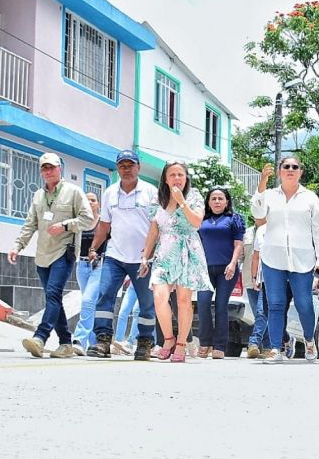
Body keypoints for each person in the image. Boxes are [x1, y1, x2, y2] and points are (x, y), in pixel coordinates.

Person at [9, 152, 94, 358]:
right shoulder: (38, 195)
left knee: (53, 294)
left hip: (64, 253)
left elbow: (88, 219)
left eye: (51, 167)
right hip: (42, 254)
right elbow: (30, 224)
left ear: (59, 169)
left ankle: (40, 336)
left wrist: (65, 226)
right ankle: (65, 343)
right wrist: (17, 246)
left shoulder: (73, 192)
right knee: (52, 298)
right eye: (44, 168)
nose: (48, 171)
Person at [250, 158, 319, 362]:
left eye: (295, 167)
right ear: (279, 172)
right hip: (273, 258)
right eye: (286, 167)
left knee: (304, 303)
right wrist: (261, 185)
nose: (291, 170)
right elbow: (257, 213)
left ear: (300, 172)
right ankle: (276, 348)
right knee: (275, 303)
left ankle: (309, 341)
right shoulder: (269, 195)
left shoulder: (310, 198)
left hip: (302, 258)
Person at [86, 150, 158, 361]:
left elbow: (156, 226)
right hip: (114, 256)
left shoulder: (150, 192)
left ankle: (144, 343)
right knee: (105, 296)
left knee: (146, 303)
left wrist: (149, 252)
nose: (126, 170)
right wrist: (93, 248)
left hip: (143, 259)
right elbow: (104, 225)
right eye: (122, 166)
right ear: (117, 168)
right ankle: (103, 341)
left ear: (138, 167)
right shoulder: (109, 193)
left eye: (130, 165)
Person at [140, 161, 211, 363]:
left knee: (183, 300)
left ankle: (181, 344)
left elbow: (196, 222)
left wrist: (182, 202)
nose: (177, 178)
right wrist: (145, 255)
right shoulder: (158, 198)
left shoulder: (194, 195)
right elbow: (154, 229)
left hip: (187, 249)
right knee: (159, 296)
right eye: (172, 175)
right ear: (165, 178)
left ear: (186, 177)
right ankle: (168, 339)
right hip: (165, 251)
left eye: (180, 174)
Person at [197, 187, 246, 359]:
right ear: (208, 202)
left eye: (220, 198)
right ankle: (204, 343)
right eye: (213, 198)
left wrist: (233, 264)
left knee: (220, 306)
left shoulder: (234, 219)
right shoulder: (202, 219)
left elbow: (238, 245)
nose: (217, 202)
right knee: (202, 304)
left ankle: (219, 346)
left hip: (227, 270)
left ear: (227, 202)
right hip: (205, 269)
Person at [73, 190, 108, 354]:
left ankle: (79, 339)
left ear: (98, 204)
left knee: (87, 301)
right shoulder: (80, 222)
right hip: (81, 265)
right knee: (89, 303)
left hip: (98, 266)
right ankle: (94, 342)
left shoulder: (103, 223)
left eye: (93, 200)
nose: (90, 203)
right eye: (87, 200)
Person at [245, 219, 272, 358]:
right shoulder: (252, 232)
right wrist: (254, 277)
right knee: (260, 313)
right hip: (257, 279)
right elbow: (255, 257)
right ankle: (269, 345)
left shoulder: (278, 228)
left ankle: (254, 342)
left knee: (262, 311)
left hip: (274, 279)